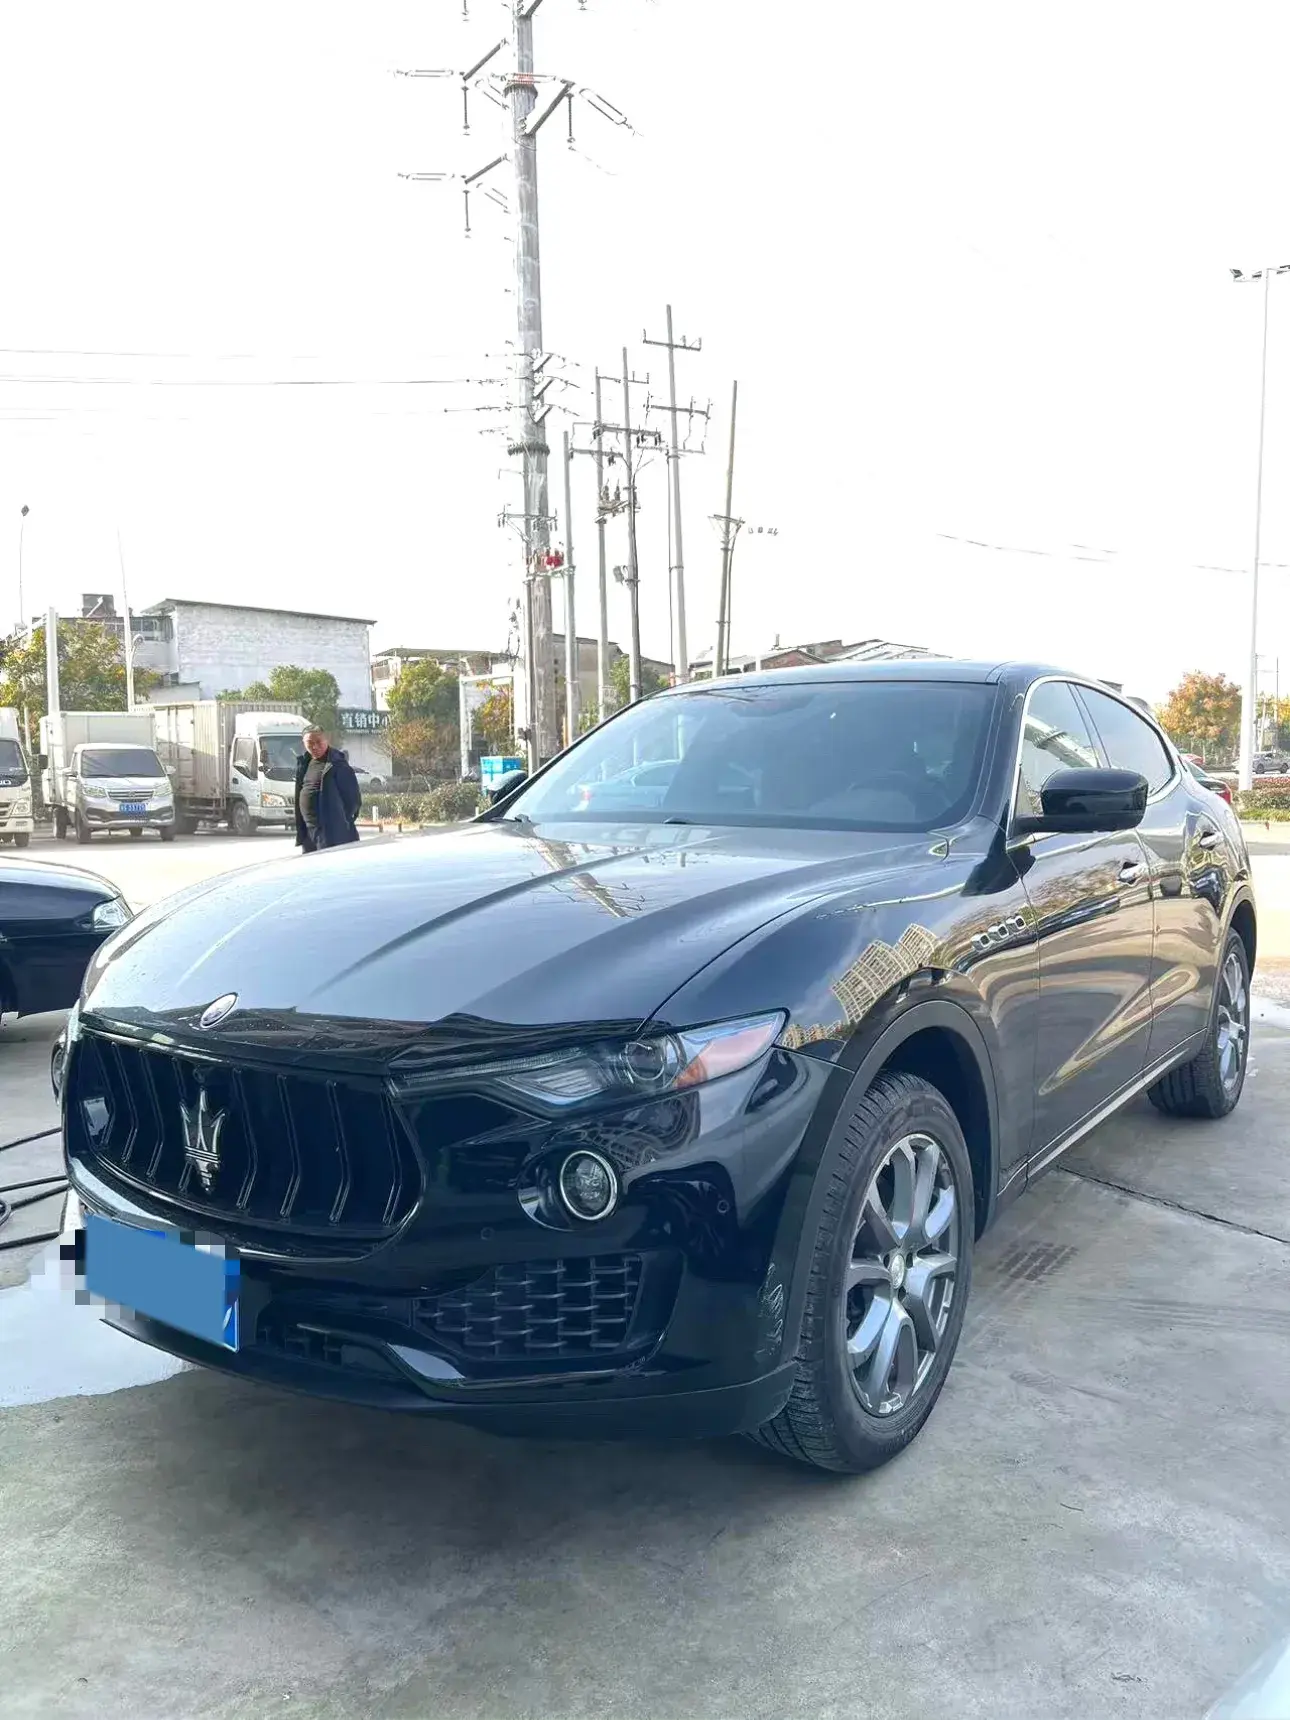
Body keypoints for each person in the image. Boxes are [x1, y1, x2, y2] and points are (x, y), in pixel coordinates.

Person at [293, 727, 362, 853]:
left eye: (318, 742)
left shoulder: (338, 764)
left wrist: (338, 821)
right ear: (304, 743)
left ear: (326, 740)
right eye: (310, 743)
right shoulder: (304, 763)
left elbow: (353, 801)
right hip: (309, 832)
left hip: (331, 834)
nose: (314, 746)